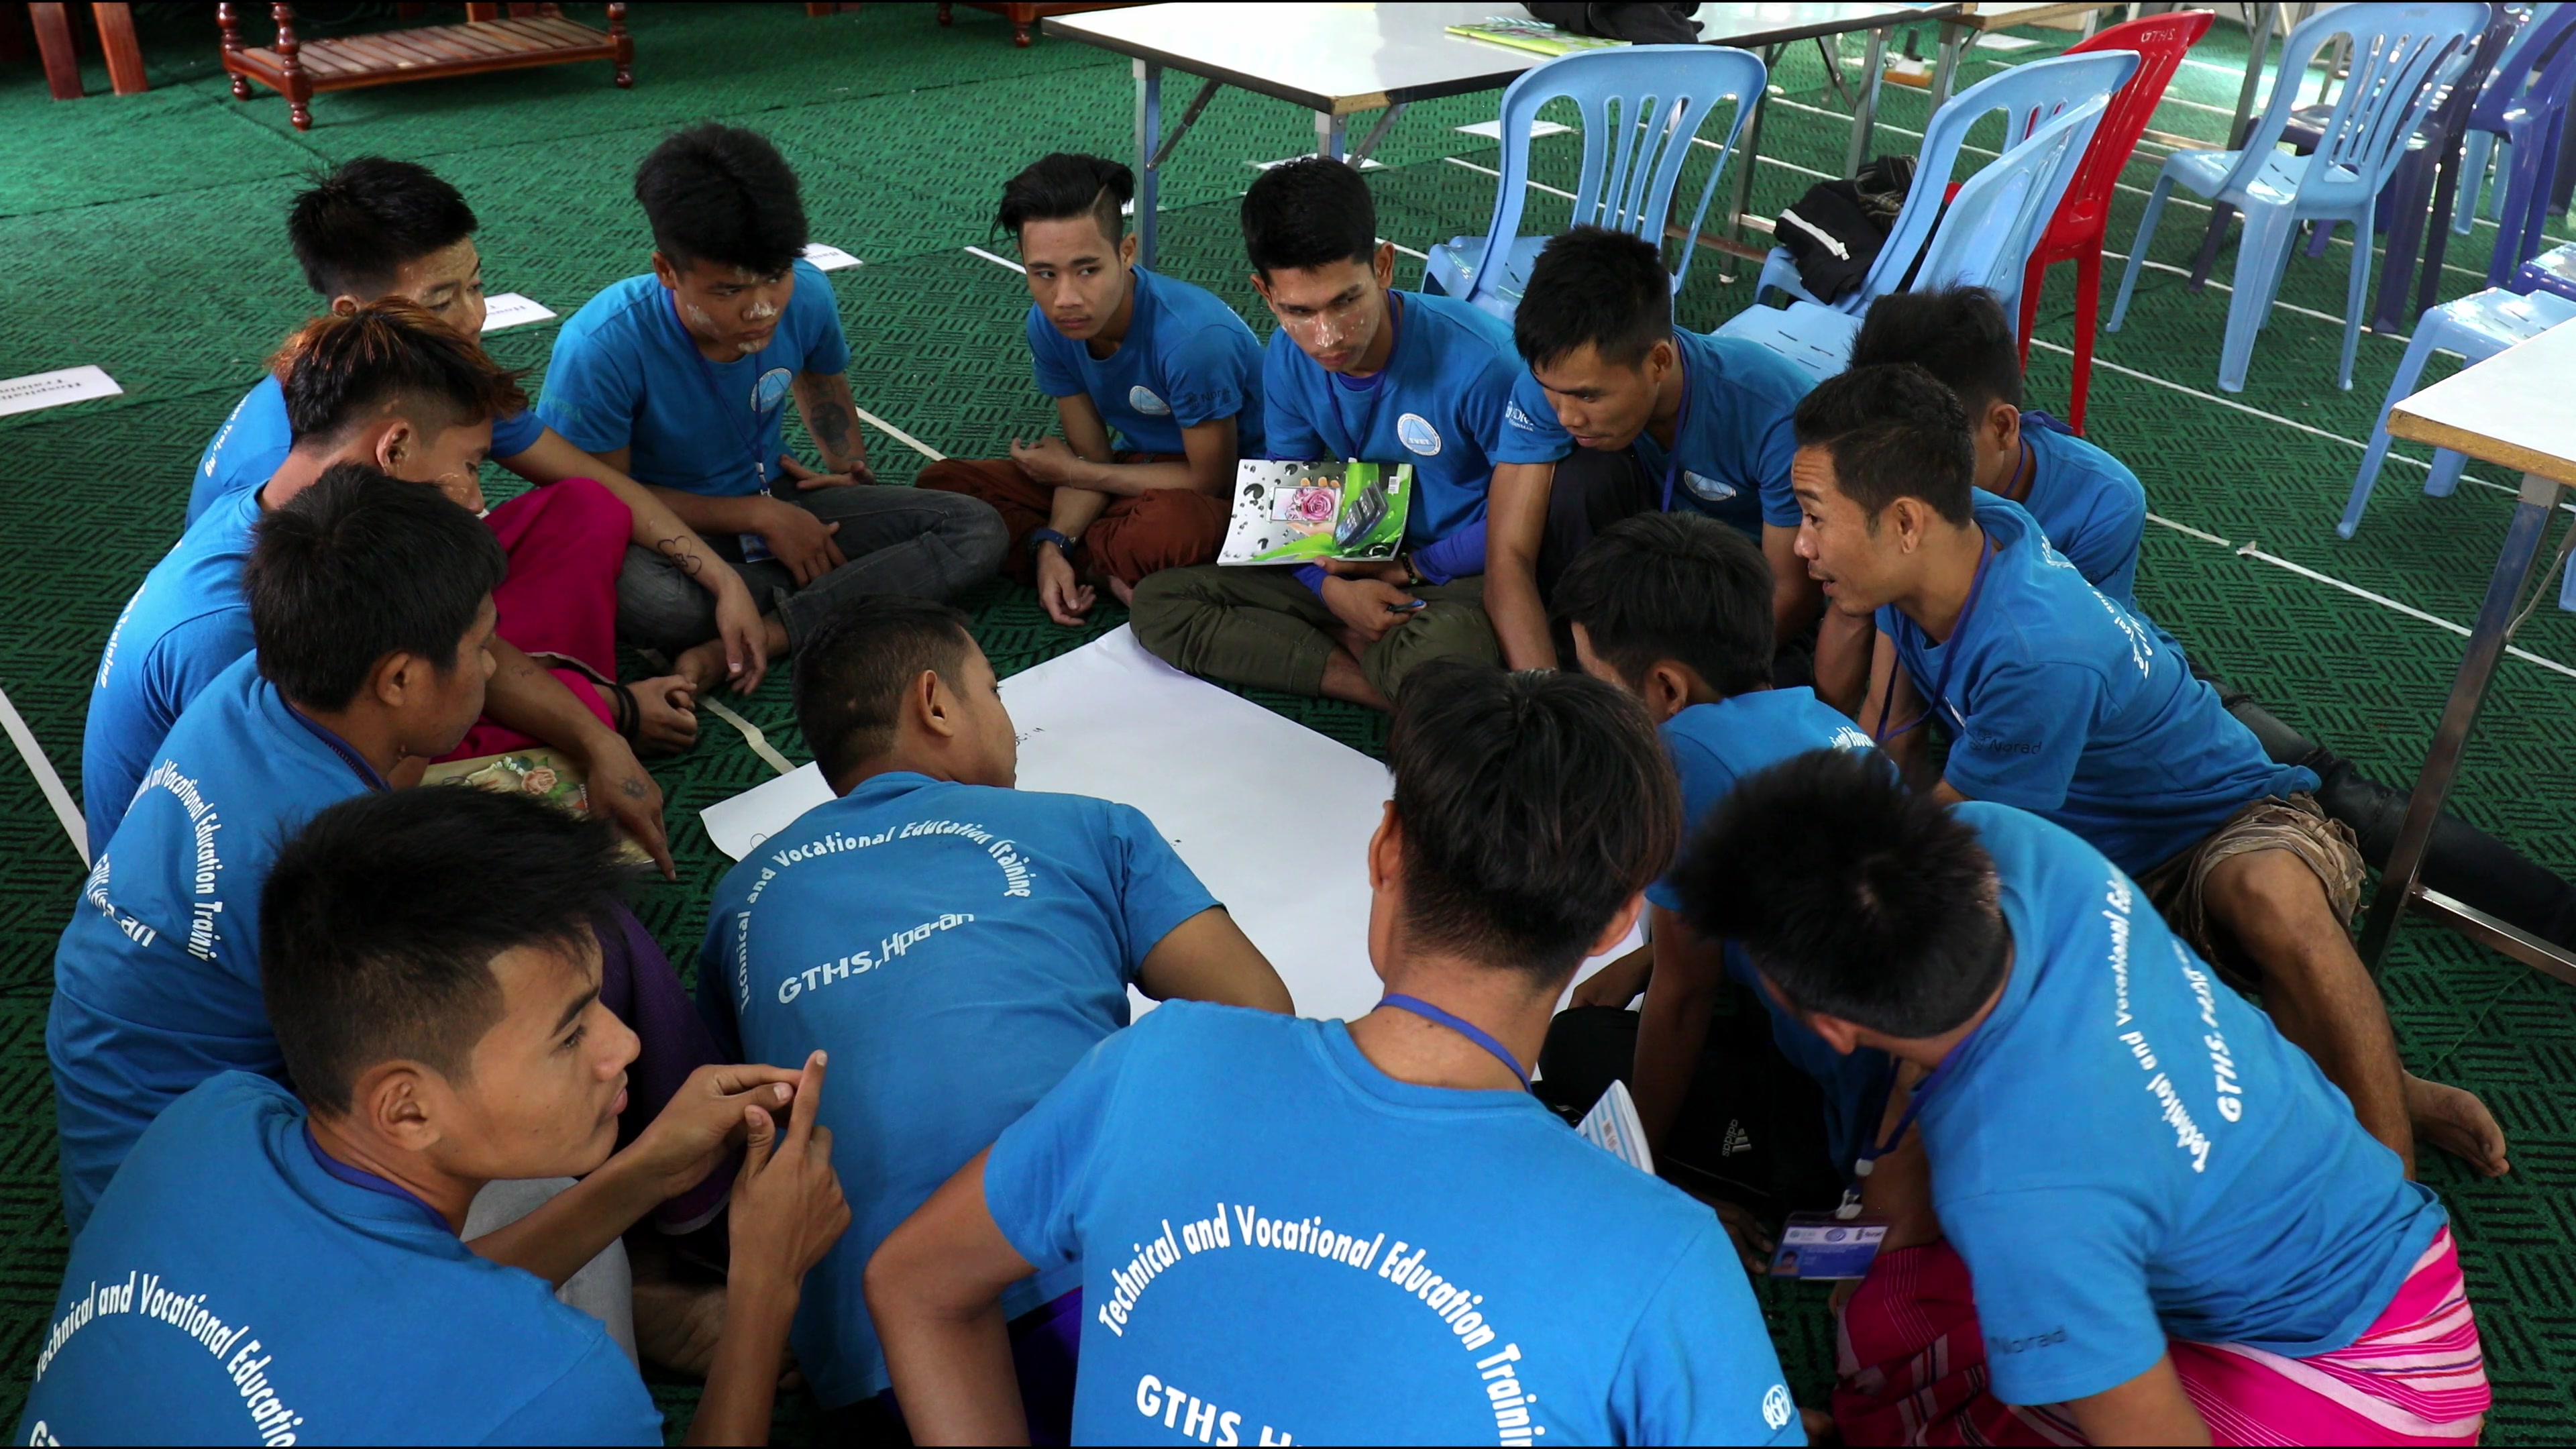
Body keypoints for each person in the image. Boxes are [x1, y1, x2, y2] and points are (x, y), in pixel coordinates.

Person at [866, 663, 1806, 1446]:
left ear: (1386, 847)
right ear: (1616, 923)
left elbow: (910, 1280)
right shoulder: (1667, 1259)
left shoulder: (1156, 1065)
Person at [1792, 364, 2506, 1178]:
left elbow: (1955, 842)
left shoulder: (2036, 651)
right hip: (2094, 854)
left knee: (2268, 897)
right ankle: (2387, 1080)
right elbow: (1890, 734)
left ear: (1906, 523)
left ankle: (2391, 1182)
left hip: (2233, 820)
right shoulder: (1954, 540)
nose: (1802, 541)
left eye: (1815, 517)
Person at [1676, 750, 2491, 1446]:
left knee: (1945, 1384)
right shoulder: (2015, 846)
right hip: (2380, 1246)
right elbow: (1913, 1133)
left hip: (2383, 1381)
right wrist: (1868, 1243)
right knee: (1900, 1305)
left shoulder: (2018, 1196)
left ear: (1827, 1024)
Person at [20, 786, 851, 1446]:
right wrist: (762, 1289)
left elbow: (389, 1300)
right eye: (571, 1032)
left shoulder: (210, 1121)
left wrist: (646, 1171)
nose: (627, 1044)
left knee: (533, 1195)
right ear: (407, 1108)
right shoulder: (553, 1392)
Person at [699, 596, 1293, 1438]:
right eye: (997, 691)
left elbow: (740, 1117)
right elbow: (1259, 1021)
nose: (1010, 725)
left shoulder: (741, 899)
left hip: (871, 1368)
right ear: (937, 704)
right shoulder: (1088, 826)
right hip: (1116, 1277)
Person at [54, 466, 504, 1229]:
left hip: (121, 1145)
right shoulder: (331, 863)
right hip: (193, 1229)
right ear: (397, 678)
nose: (493, 668)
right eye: (482, 647)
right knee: (523, 1150)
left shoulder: (250, 686)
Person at [87, 302, 679, 871]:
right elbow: (290, 847)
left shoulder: (297, 508)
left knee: (574, 516)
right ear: (393, 447)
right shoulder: (231, 627)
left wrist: (601, 739)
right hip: (255, 859)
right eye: (470, 467)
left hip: (330, 757)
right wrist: (607, 711)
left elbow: (471, 639)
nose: (476, 499)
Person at [191, 154, 771, 696]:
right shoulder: (292, 469)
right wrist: (602, 716)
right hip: (325, 641)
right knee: (646, 615)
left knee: (591, 513)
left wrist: (722, 580)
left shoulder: (438, 368)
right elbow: (358, 663)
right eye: (442, 300)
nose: (474, 318)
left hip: (410, 577)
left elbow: (593, 482)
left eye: (476, 285)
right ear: (353, 312)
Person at [538, 123, 1006, 691]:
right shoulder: (603, 345)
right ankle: (828, 588)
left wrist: (847, 468)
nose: (761, 310)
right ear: (666, 271)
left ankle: (770, 630)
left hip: (775, 496)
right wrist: (758, 517)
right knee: (660, 605)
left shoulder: (806, 292)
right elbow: (599, 500)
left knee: (975, 528)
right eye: (728, 292)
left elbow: (821, 380)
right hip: (662, 531)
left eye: (773, 278)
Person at [1128, 158, 1559, 710]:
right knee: (1162, 602)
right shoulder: (1286, 355)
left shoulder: (1484, 363)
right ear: (1264, 293)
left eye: (1346, 301)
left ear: (1383, 266)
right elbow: (1291, 506)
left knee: (1444, 650)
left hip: (1465, 565)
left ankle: (1370, 657)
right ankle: (1377, 676)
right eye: (1298, 311)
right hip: (1364, 535)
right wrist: (1332, 590)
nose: (1327, 337)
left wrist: (1413, 567)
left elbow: (1521, 526)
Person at [1548, 513, 1892, 1193]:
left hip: (1848, 1124)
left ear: (1668, 689)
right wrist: (1650, 961)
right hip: (1903, 1064)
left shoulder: (1685, 760)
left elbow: (1685, 999)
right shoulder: (1824, 721)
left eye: (1601, 683)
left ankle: (1758, 1181)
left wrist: (1643, 1176)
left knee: (1573, 1049)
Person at [917, 153, 1258, 627]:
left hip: (1233, 488)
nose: (1066, 299)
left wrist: (1074, 478)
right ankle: (1099, 566)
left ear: (1127, 252)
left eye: (1087, 270)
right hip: (1135, 474)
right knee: (946, 488)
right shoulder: (1048, 324)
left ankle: (1102, 561)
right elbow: (1093, 457)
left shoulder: (1193, 340)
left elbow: (1210, 482)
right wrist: (1055, 540)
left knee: (1167, 531)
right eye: (1045, 274)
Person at [1485, 225, 1815, 669]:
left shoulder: (1775, 414)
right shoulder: (1554, 382)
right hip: (1638, 582)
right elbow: (1508, 558)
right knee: (1579, 481)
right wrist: (1546, 692)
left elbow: (1790, 593)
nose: (1567, 415)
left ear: (1659, 360)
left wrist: (1663, 690)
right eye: (1552, 391)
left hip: (1738, 604)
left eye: (1588, 396)